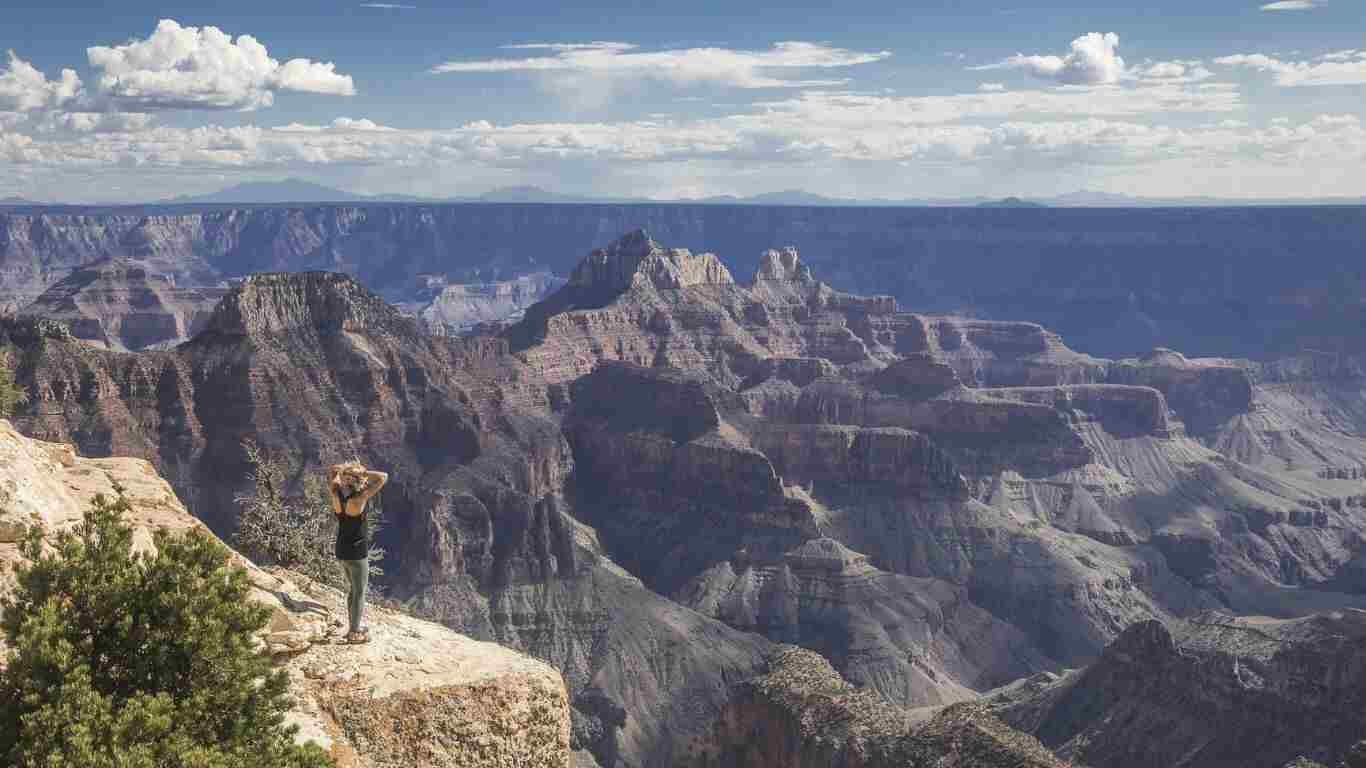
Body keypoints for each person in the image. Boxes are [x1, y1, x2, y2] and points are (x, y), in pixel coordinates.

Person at [327, 460, 388, 644]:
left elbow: (332, 471)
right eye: (361, 480)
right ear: (358, 481)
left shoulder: (336, 492)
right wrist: (363, 472)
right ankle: (354, 632)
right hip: (357, 552)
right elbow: (383, 477)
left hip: (341, 550)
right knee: (360, 592)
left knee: (353, 590)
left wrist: (343, 473)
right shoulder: (359, 498)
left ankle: (354, 626)